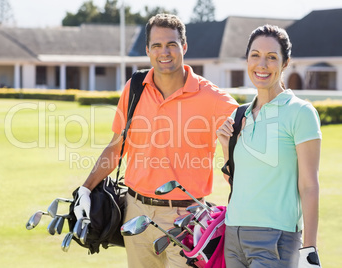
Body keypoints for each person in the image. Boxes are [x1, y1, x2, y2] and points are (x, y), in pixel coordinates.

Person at [74, 14, 238, 268]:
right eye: (157, 45)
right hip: (135, 211)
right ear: (148, 50)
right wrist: (86, 188)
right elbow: (117, 147)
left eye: (172, 44)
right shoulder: (135, 87)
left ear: (184, 47)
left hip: (187, 219)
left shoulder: (213, 98)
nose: (165, 52)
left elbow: (249, 135)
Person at [216, 24, 322, 267]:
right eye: (255, 55)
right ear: (247, 60)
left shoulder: (300, 112)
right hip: (233, 235)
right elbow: (238, 181)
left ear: (285, 63)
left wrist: (310, 251)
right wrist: (226, 148)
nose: (262, 65)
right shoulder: (239, 114)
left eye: (271, 57)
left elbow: (309, 186)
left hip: (276, 237)